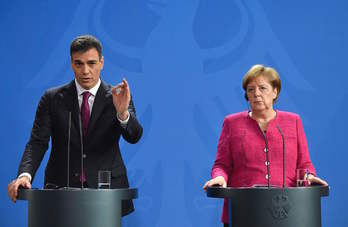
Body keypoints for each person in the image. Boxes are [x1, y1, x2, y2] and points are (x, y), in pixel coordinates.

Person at [7, 35, 143, 216]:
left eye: (92, 63)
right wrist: (24, 175)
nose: (85, 71)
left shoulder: (118, 96)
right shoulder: (52, 98)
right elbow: (37, 142)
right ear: (71, 63)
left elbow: (134, 136)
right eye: (79, 64)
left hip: (106, 193)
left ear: (101, 63)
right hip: (61, 191)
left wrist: (122, 113)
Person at [203, 64, 328, 226]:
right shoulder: (231, 123)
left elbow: (304, 164)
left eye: (263, 88)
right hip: (243, 211)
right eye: (251, 90)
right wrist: (219, 177)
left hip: (287, 213)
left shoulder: (293, 122)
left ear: (275, 92)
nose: (256, 94)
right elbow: (222, 164)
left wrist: (309, 177)